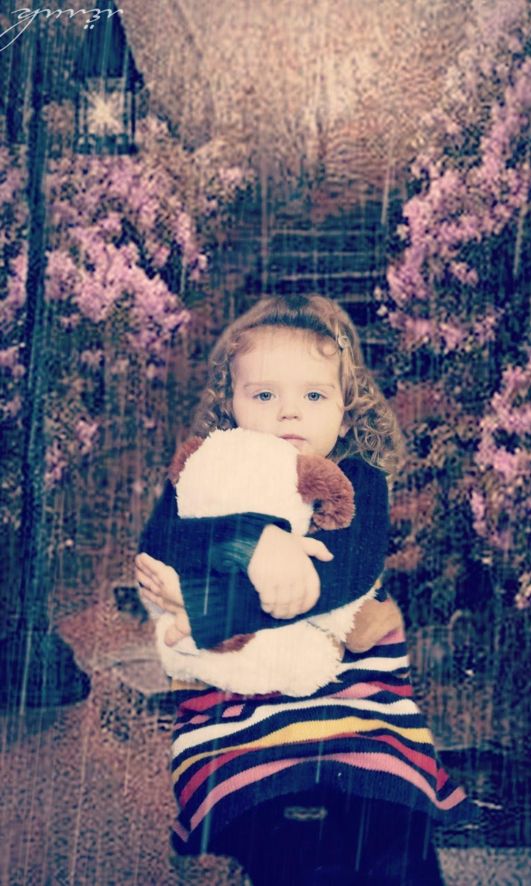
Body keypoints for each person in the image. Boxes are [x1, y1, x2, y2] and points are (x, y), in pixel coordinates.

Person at [136, 294, 473, 884]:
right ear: (231, 405)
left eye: (314, 395)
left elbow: (342, 576)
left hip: (353, 690)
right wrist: (254, 540)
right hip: (233, 703)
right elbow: (161, 549)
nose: (289, 412)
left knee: (391, 816)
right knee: (269, 826)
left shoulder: (357, 478)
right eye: (265, 395)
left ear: (345, 411)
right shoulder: (204, 473)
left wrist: (210, 607)